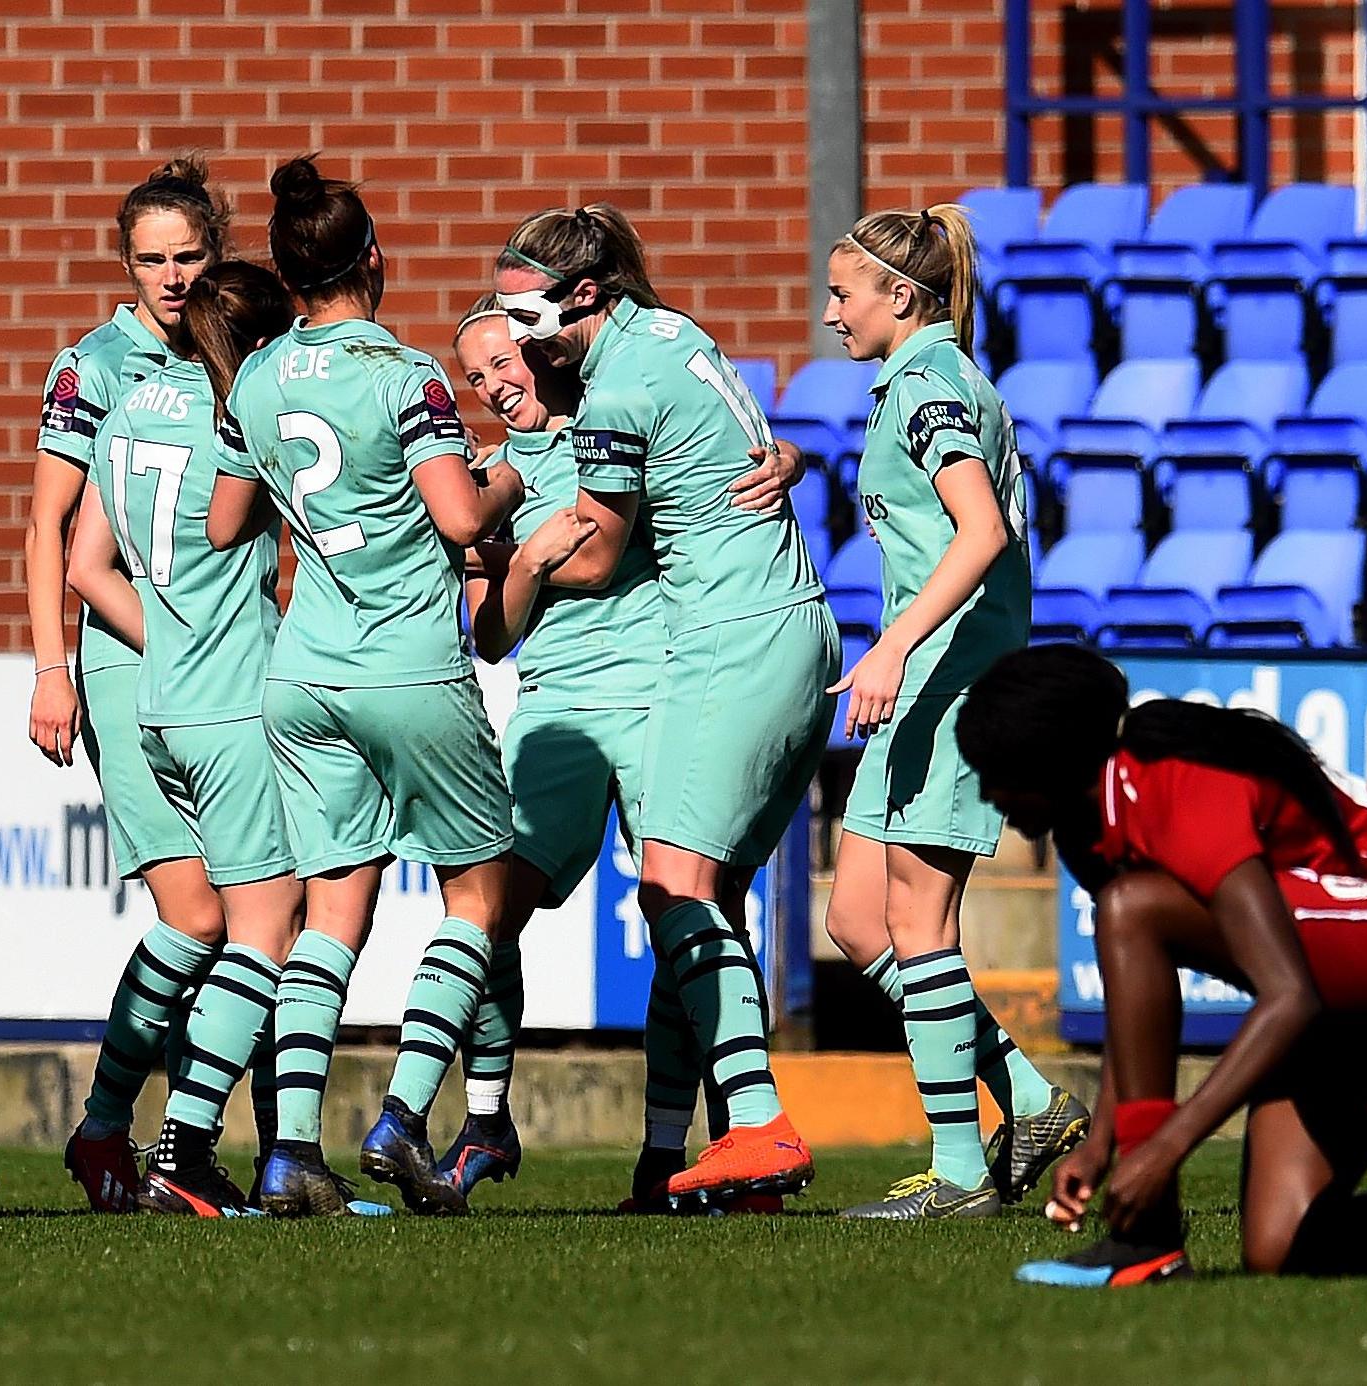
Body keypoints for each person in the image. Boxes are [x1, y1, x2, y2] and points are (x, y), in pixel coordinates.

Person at [493, 205, 839, 1205]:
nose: (517, 343)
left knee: (673, 888)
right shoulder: (678, 333)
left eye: (524, 318)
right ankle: (730, 1153)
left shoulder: (613, 386)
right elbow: (746, 456)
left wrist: (521, 558)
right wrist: (793, 459)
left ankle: (761, 1128)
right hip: (796, 624)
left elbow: (599, 555)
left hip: (731, 638)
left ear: (587, 295)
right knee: (707, 899)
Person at [208, 156, 521, 1217]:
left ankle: (291, 1152)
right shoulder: (406, 375)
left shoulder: (253, 378)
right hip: (405, 665)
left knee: (330, 917)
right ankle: (401, 1116)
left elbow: (222, 522)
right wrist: (518, 461)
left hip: (304, 675)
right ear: (372, 260)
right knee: (478, 895)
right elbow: (461, 520)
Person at [958, 644, 1367, 1285]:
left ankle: (1146, 1241)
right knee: (1282, 1252)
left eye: (997, 772)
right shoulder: (1087, 820)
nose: (991, 795)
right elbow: (1139, 1015)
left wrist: (1164, 1147)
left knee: (1130, 909)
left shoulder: (1171, 781)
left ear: (1050, 761)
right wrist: (1101, 1142)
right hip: (1340, 991)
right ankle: (1148, 1237)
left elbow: (1288, 995)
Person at [814, 206, 1085, 1221]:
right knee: (856, 919)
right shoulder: (915, 385)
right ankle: (1026, 1096)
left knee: (919, 924)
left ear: (901, 296)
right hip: (922, 686)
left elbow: (978, 533)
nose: (831, 312)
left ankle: (962, 1170)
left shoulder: (929, 386)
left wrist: (891, 645)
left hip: (951, 687)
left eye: (844, 293)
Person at [65, 260, 306, 1216]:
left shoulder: (126, 404)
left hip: (154, 700)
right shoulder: (242, 417)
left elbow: (87, 562)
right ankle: (187, 1147)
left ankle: (104, 1121)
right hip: (231, 701)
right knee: (270, 928)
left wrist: (172, 639)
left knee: (196, 920)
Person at [30, 158, 247, 1214]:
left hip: (232, 667)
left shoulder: (244, 352)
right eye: (151, 259)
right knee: (204, 916)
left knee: (237, 915)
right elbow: (53, 532)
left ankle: (151, 1135)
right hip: (135, 664)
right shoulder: (98, 365)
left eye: (189, 256)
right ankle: (118, 1129)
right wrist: (51, 667)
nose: (171, 277)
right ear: (125, 264)